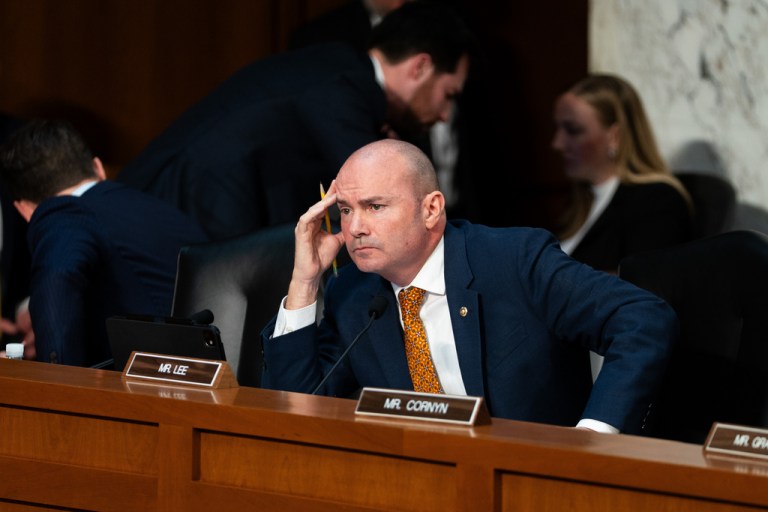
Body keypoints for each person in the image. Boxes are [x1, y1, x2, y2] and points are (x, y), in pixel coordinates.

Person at [260, 139, 678, 435]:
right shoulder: (353, 292)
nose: (353, 228)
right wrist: (305, 281)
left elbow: (642, 320)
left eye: (375, 207)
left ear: (431, 209)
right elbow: (296, 413)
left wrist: (594, 434)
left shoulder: (514, 260)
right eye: (347, 210)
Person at [117, 2, 474, 240]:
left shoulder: (336, 68)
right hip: (184, 205)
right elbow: (380, 189)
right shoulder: (345, 83)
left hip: (192, 204)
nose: (444, 114)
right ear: (421, 67)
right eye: (449, 95)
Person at [0, 119, 209, 366]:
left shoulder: (61, 215)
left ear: (23, 210)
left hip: (155, 383)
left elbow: (58, 278)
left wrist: (52, 377)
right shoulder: (156, 207)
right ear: (98, 168)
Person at [551, 73, 693, 273]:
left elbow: (644, 288)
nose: (557, 144)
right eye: (557, 129)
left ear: (614, 136)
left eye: (573, 130)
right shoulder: (578, 203)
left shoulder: (657, 201)